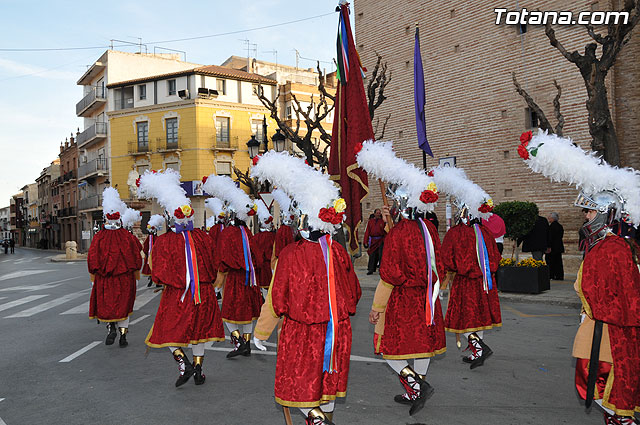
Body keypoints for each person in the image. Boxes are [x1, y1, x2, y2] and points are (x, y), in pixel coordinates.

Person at [517, 129, 640, 424]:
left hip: (610, 329)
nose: (585, 217)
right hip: (599, 323)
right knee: (593, 381)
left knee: (600, 381)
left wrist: (595, 310)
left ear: (605, 213)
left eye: (588, 212)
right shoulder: (610, 245)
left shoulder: (614, 248)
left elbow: (622, 295)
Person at [251, 150, 361, 425]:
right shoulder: (338, 251)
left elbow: (276, 300)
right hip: (337, 331)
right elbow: (355, 294)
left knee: (299, 387)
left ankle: (319, 422)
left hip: (302, 333)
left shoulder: (290, 254)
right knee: (328, 385)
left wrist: (261, 332)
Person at [356, 140, 445, 416]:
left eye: (396, 202)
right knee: (422, 347)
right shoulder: (428, 226)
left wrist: (376, 308)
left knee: (389, 349)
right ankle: (417, 390)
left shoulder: (400, 232)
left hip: (404, 300)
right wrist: (387, 223)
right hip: (427, 298)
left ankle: (416, 386)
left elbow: (390, 275)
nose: (393, 204)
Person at [138, 169, 225, 387]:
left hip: (177, 295)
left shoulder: (165, 241)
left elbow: (156, 272)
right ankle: (198, 370)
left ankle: (182, 361)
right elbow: (215, 264)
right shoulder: (203, 237)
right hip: (203, 293)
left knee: (166, 331)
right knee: (199, 332)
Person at [431, 165, 501, 369]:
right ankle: (477, 351)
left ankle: (479, 348)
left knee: (467, 317)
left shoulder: (456, 233)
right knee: (479, 318)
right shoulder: (486, 233)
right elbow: (496, 258)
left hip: (465, 282)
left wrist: (448, 273)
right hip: (485, 282)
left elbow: (448, 259)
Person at [202, 174, 263, 359]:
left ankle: (240, 342)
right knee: (248, 315)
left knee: (228, 314)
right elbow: (256, 257)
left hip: (235, 280)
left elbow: (222, 259)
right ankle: (246, 344)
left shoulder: (228, 233)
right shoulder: (247, 232)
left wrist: (218, 281)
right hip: (250, 279)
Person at [88, 187, 142, 347]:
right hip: (125, 279)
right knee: (124, 306)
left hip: (105, 279)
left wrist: (93, 278)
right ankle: (123, 335)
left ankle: (110, 326)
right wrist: (136, 276)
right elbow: (137, 257)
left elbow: (92, 259)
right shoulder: (128, 236)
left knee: (107, 306)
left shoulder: (98, 237)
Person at [142, 214, 164, 288]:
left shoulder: (153, 238)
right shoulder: (153, 238)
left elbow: (145, 247)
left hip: (154, 256)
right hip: (153, 256)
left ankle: (154, 281)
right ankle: (154, 281)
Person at [363, 208, 387, 275]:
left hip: (380, 240)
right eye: (377, 213)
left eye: (379, 213)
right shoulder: (370, 222)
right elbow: (367, 232)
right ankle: (371, 269)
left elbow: (385, 232)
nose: (378, 214)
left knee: (380, 256)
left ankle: (381, 270)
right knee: (372, 255)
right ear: (374, 214)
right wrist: (365, 241)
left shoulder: (383, 221)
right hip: (373, 241)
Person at [546, 212, 564, 280]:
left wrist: (548, 246)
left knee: (551, 262)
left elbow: (550, 238)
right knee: (558, 262)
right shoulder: (560, 226)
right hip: (559, 246)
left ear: (552, 218)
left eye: (549, 217)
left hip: (553, 247)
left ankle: (552, 275)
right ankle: (559, 276)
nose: (548, 218)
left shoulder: (551, 227)